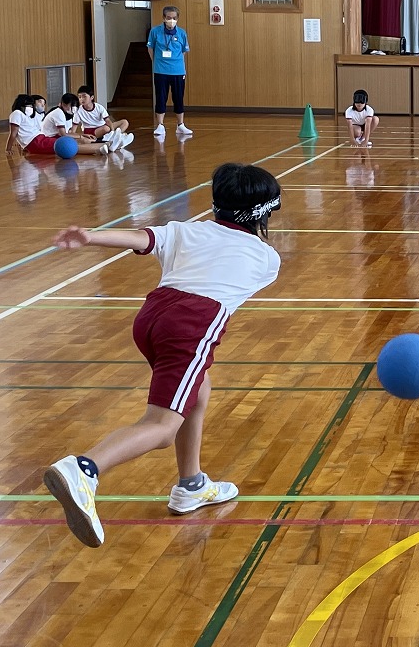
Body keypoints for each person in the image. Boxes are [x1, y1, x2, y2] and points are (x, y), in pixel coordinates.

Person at [42, 163, 283, 548]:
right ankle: (84, 469)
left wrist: (89, 237)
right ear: (262, 214)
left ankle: (191, 485)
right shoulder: (267, 259)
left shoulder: (186, 229)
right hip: (190, 325)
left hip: (150, 317)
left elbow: (141, 239)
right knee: (161, 427)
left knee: (198, 389)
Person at [147, 6, 193, 138]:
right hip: (161, 70)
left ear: (177, 19)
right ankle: (160, 125)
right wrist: (156, 62)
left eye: (174, 18)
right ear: (164, 18)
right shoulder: (155, 32)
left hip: (178, 71)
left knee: (178, 97)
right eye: (168, 18)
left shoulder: (182, 33)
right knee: (161, 97)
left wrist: (176, 62)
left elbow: (183, 51)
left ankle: (180, 125)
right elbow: (150, 49)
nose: (171, 20)